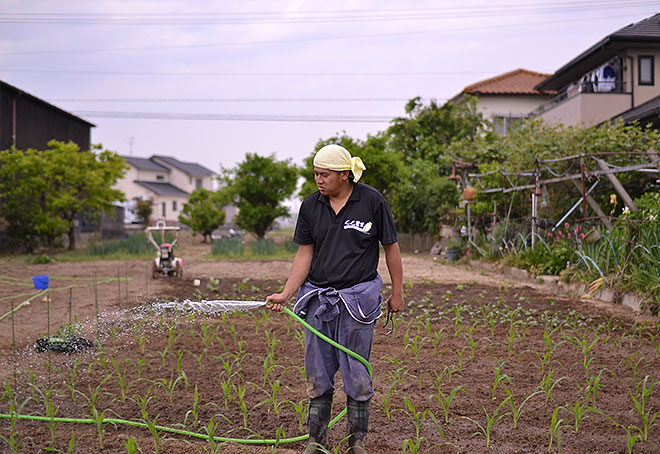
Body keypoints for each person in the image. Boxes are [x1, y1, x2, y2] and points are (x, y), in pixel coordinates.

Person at [266, 144, 404, 454]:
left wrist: (398, 292)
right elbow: (304, 254)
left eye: (324, 174)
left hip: (357, 301)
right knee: (318, 372)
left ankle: (357, 444)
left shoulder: (371, 201)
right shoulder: (311, 206)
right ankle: (317, 442)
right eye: (315, 174)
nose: (318, 179)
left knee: (356, 372)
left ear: (345, 175)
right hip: (318, 300)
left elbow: (391, 247)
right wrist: (287, 293)